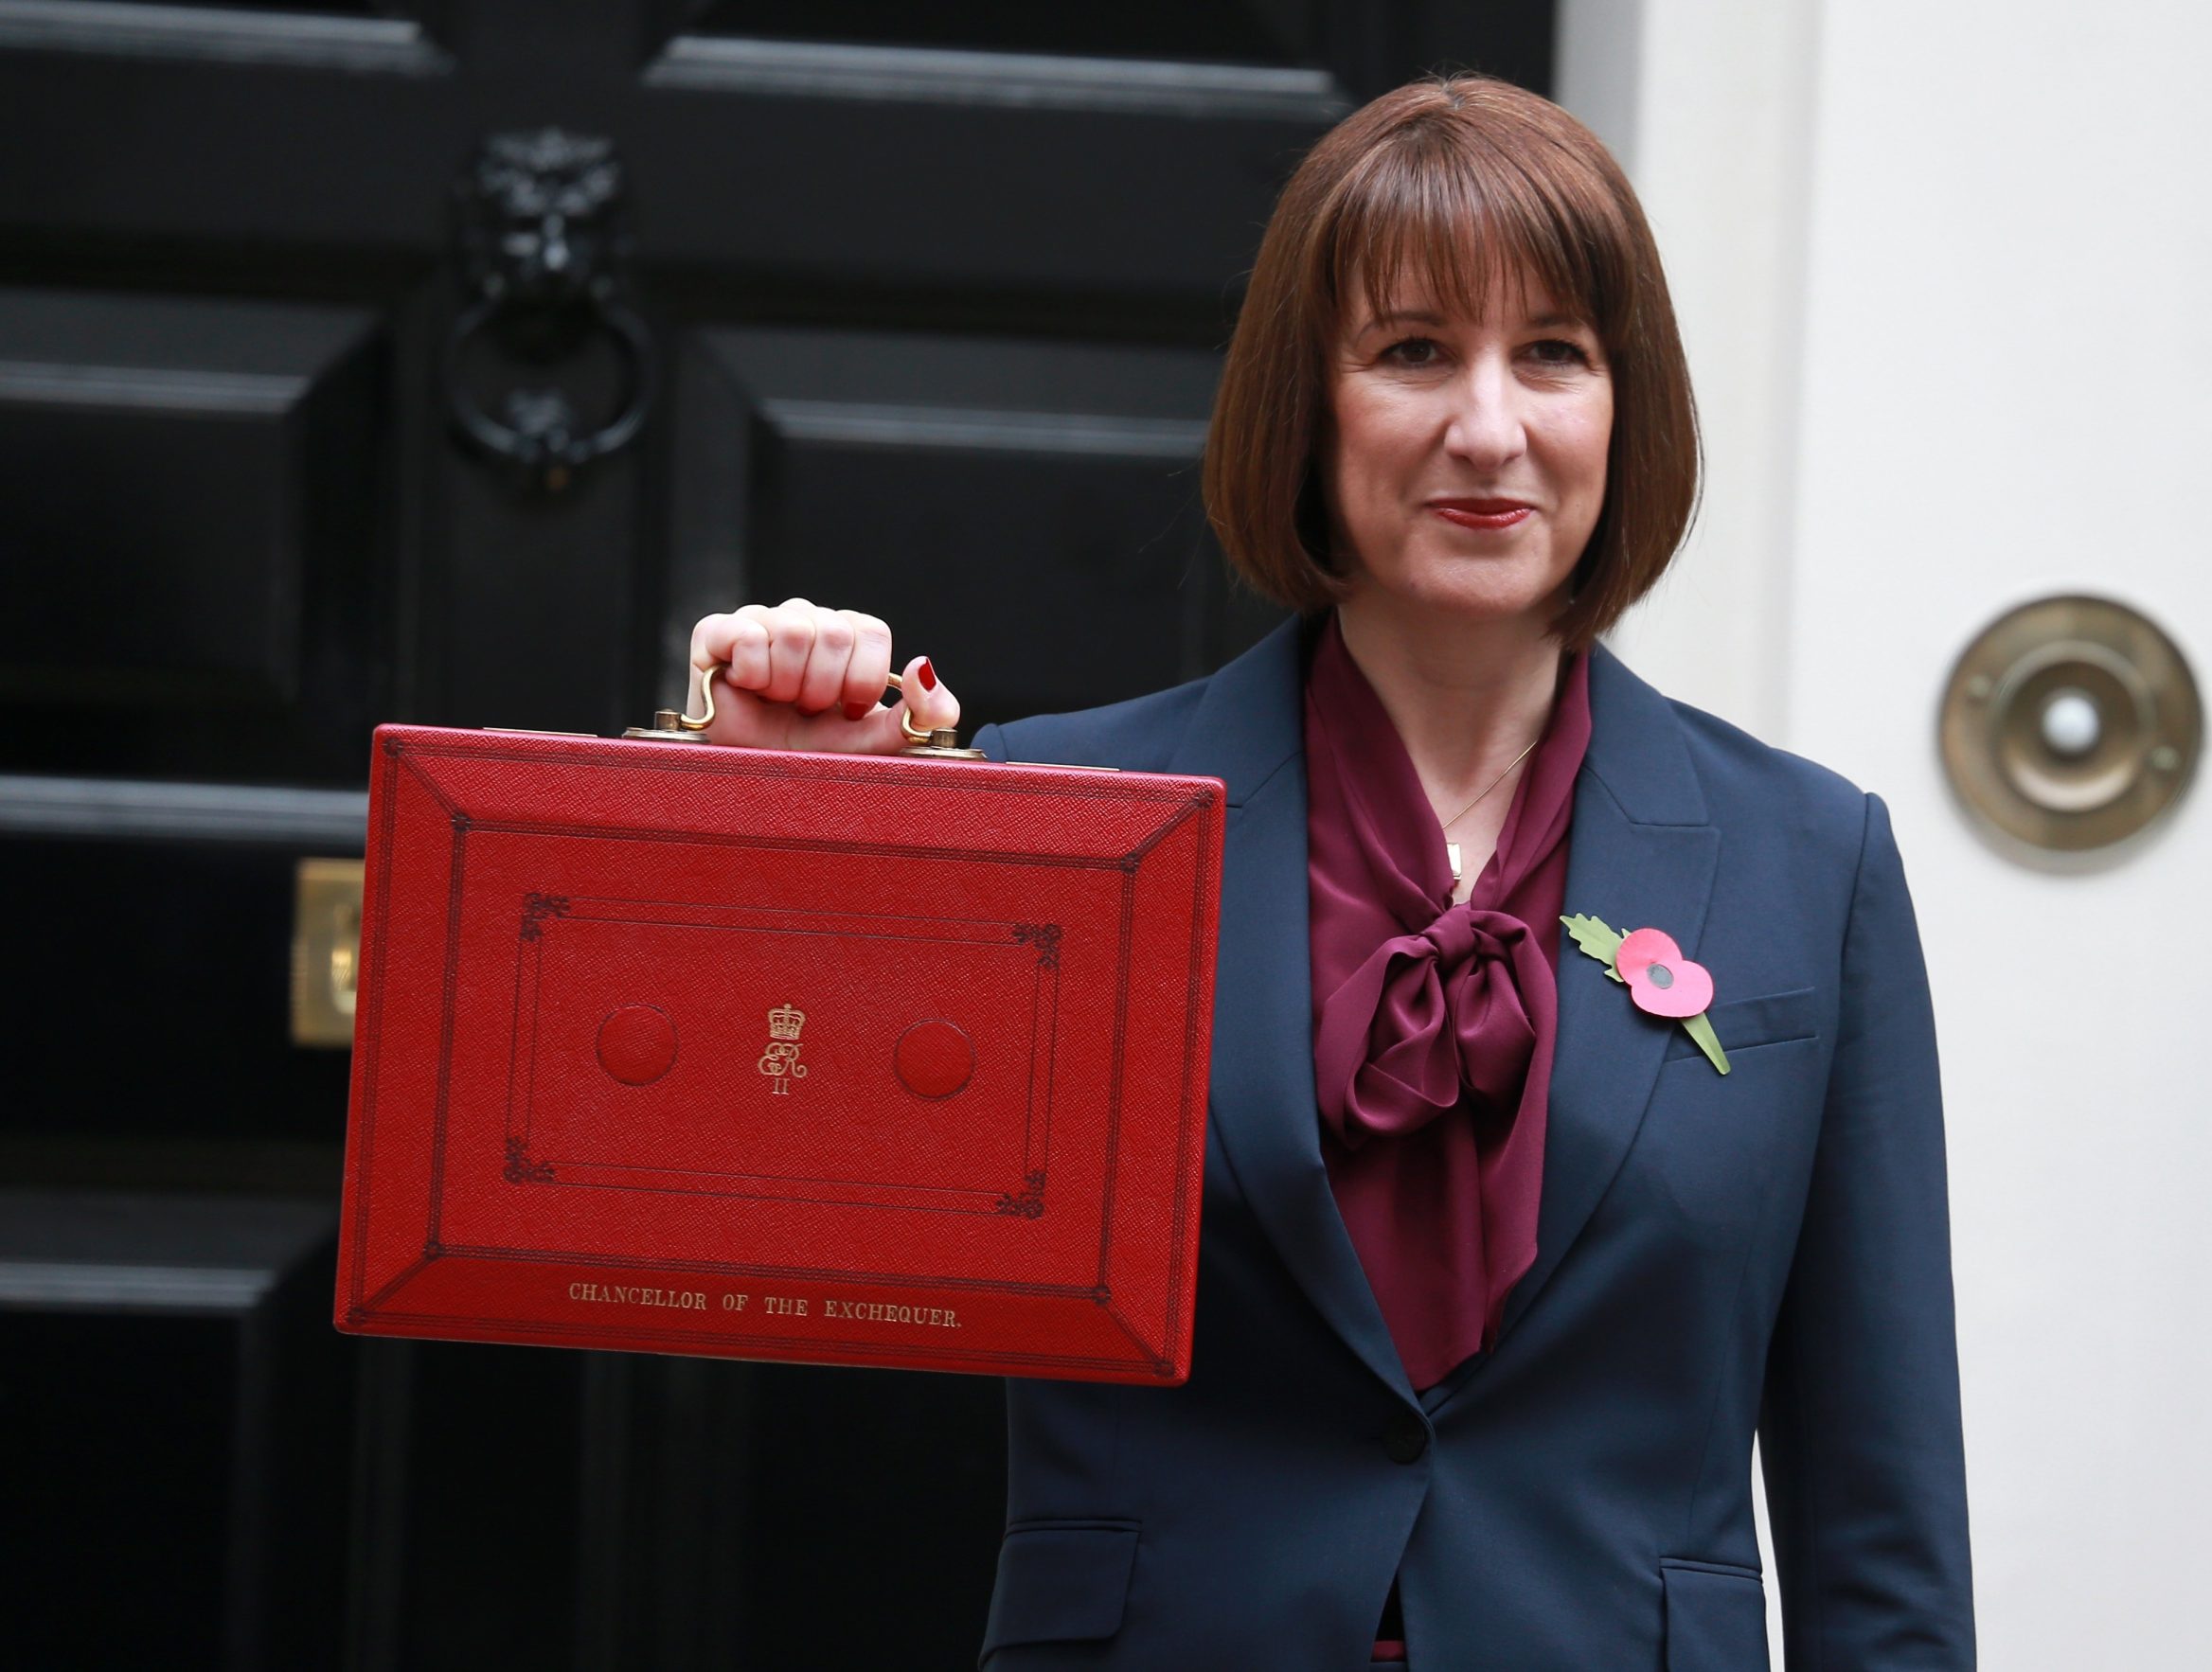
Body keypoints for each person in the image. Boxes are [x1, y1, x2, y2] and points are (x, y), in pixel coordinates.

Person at [686, 73, 1974, 1672]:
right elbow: (735, 1180)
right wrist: (767, 813)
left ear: (1624, 406)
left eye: (1554, 354)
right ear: (1311, 400)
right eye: (1414, 349)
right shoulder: (1061, 813)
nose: (1488, 427)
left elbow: (1883, 1516)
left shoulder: (1811, 860)